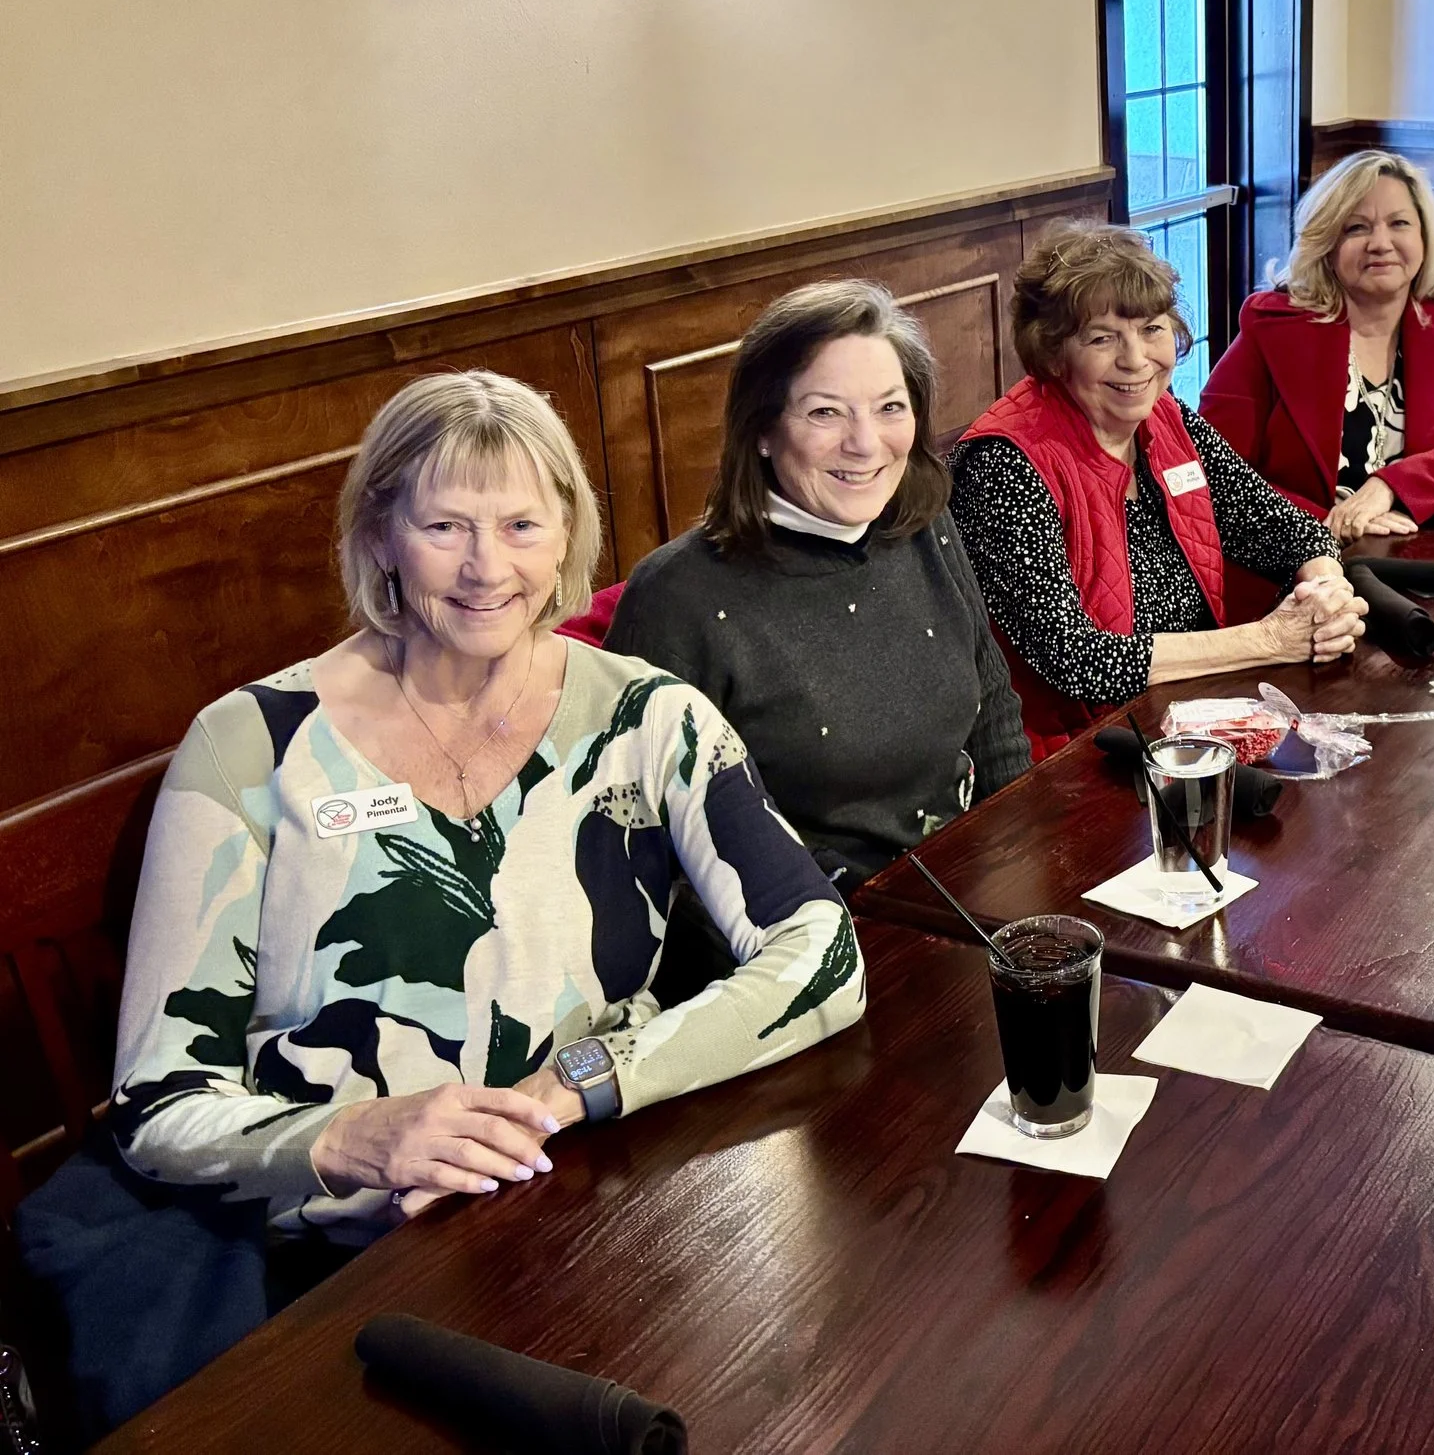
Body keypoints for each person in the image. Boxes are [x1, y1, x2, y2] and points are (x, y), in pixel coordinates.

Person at [23, 371, 863, 1426]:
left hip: (590, 1205)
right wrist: (354, 1137)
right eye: (443, 525)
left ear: (566, 534)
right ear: (380, 534)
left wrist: (580, 1083)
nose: (486, 568)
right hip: (335, 1275)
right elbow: (160, 1101)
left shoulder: (650, 718)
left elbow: (822, 951)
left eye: (521, 523)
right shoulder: (252, 748)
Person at [604, 281, 1027, 889]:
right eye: (826, 412)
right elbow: (642, 842)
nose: (864, 443)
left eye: (890, 407)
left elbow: (992, 712)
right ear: (763, 430)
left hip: (966, 885)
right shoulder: (679, 597)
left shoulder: (922, 522)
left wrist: (1028, 851)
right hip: (801, 938)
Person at [952, 222, 1363, 758]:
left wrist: (1327, 599)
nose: (1136, 359)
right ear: (1053, 353)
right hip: (1075, 758)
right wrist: (1267, 640)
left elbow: (1287, 530)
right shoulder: (1002, 464)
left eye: (1151, 328)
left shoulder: (1165, 416)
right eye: (1102, 338)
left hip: (1190, 719)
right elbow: (1078, 661)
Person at [1200, 151, 1434, 546]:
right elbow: (1215, 471)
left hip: (1413, 564)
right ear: (1326, 245)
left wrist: (1391, 486)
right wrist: (1328, 524)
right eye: (1356, 228)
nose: (1380, 243)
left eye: (1399, 223)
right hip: (1291, 571)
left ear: (1424, 237)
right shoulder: (1271, 331)